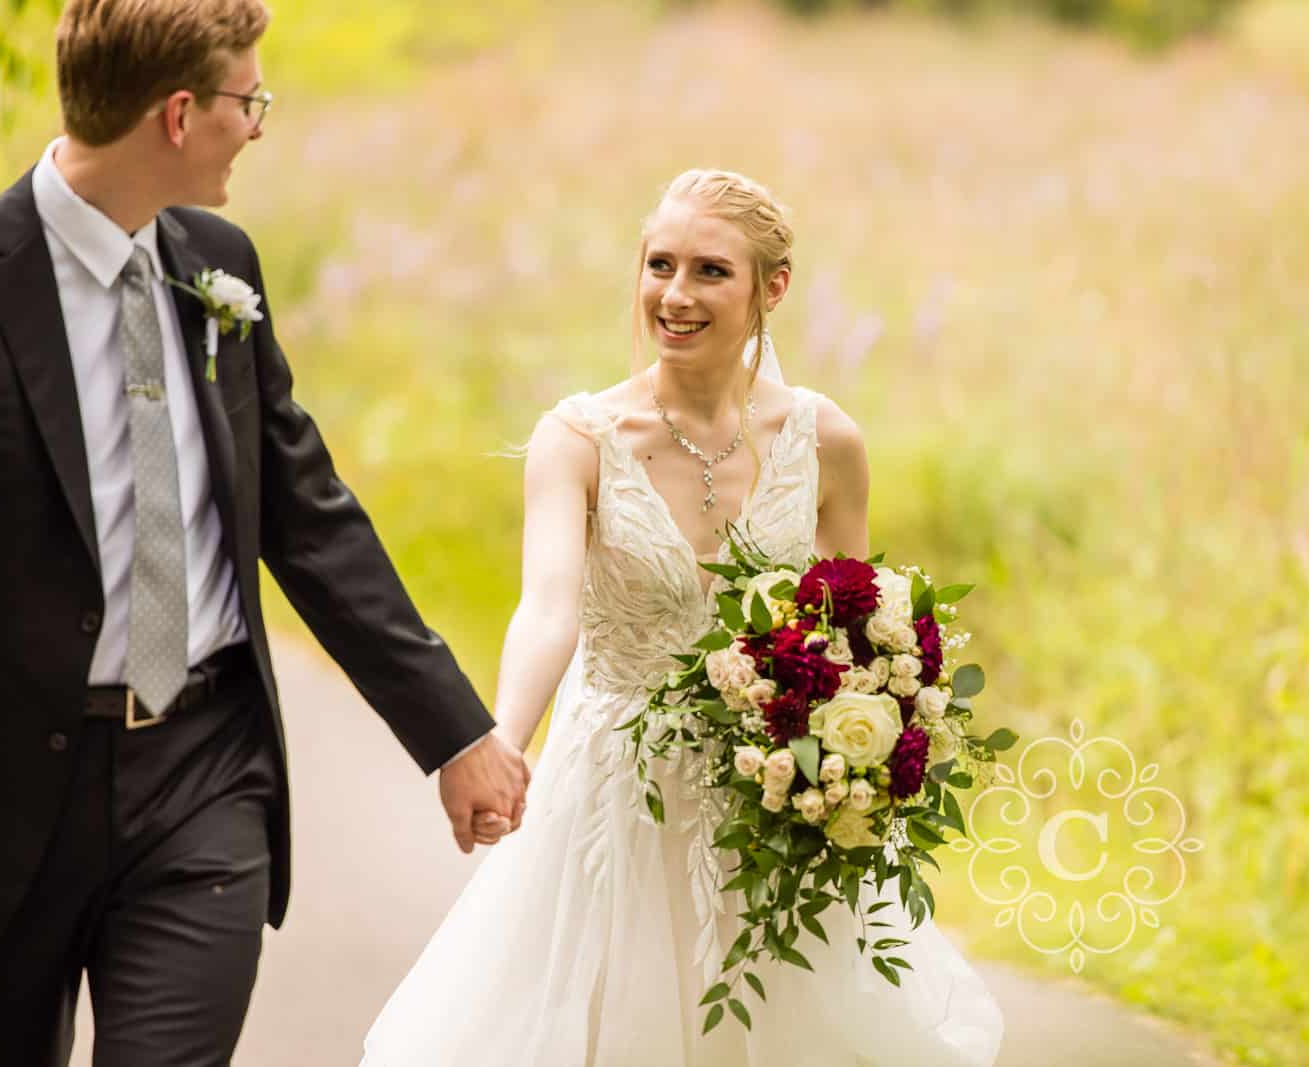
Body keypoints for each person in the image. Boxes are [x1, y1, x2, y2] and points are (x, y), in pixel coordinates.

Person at [0, 1, 529, 1062]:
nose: (257, 124)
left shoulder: (219, 263)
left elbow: (307, 513)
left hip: (203, 772)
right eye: (247, 100)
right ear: (178, 115)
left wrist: (452, 730)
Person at [362, 169, 1004, 1066]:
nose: (674, 294)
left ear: (770, 288)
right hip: (614, 789)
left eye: (710, 271)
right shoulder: (577, 440)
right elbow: (547, 608)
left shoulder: (829, 442)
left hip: (768, 795)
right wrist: (505, 738)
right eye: (658, 264)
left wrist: (866, 753)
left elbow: (850, 630)